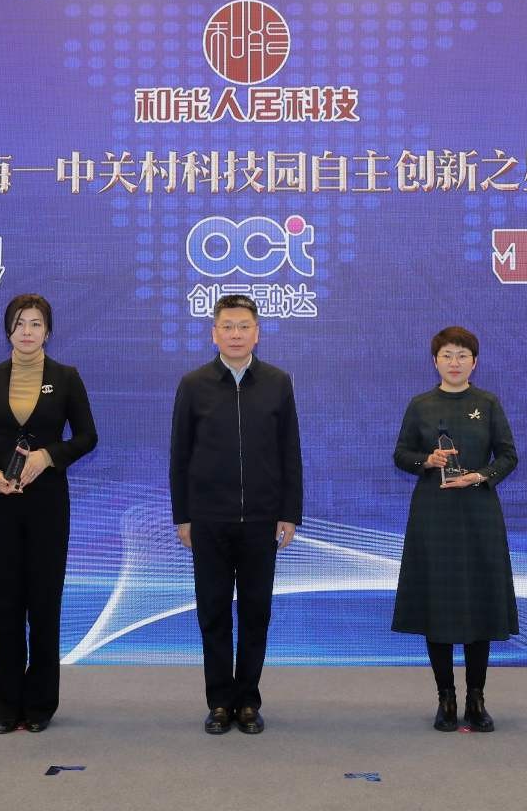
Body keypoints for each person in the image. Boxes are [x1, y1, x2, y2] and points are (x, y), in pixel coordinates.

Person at [0, 294, 97, 734]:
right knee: (2, 605)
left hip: (48, 507)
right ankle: (6, 707)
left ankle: (39, 706)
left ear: (48, 331)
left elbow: (87, 437)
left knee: (43, 604)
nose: (27, 331)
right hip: (1, 505)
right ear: (8, 330)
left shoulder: (66, 377)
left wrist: (48, 457)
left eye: (36, 323)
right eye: (20, 323)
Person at [170, 293, 302, 735]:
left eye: (244, 326)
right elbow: (179, 455)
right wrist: (183, 516)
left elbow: (290, 452)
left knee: (255, 612)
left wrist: (289, 512)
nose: (235, 334)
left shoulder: (277, 382)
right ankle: (219, 703)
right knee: (212, 612)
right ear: (214, 333)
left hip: (262, 520)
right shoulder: (194, 384)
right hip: (208, 520)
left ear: (257, 333)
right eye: (227, 326)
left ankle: (247, 701)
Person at [391, 326, 518, 732]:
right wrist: (426, 461)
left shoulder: (488, 403)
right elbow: (401, 454)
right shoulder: (420, 405)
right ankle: (445, 698)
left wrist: (481, 476)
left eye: (462, 355)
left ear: (474, 362)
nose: (455, 362)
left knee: (479, 604)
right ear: (435, 361)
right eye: (447, 355)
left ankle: (476, 699)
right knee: (439, 604)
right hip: (434, 515)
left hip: (479, 513)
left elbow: (509, 455)